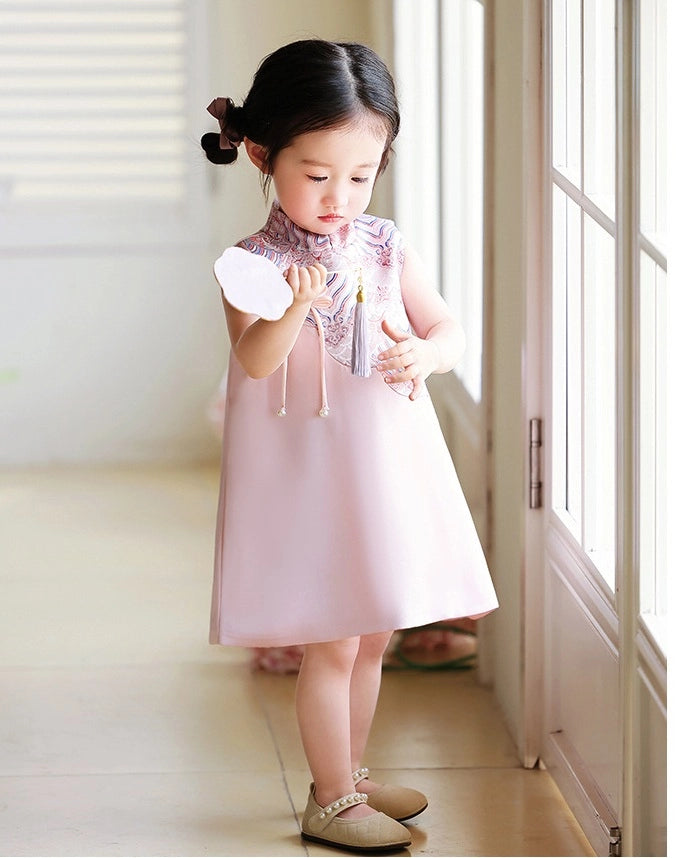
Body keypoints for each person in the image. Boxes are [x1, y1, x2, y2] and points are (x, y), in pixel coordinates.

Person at [202, 39, 498, 853]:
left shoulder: (380, 242)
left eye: (360, 175)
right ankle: (329, 797)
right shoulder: (253, 263)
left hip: (385, 462)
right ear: (262, 155)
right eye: (316, 174)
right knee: (333, 631)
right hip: (312, 473)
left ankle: (350, 774)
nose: (338, 197)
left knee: (374, 626)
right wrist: (294, 308)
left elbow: (446, 324)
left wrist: (431, 353)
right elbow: (254, 363)